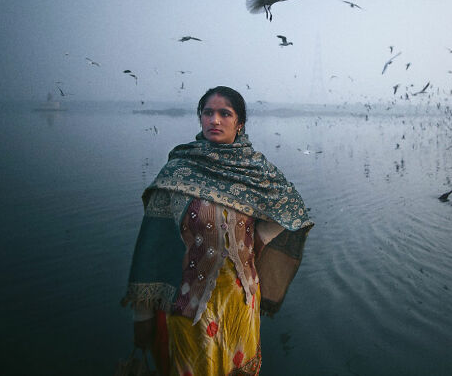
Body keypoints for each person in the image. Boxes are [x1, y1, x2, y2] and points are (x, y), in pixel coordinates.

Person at [122, 86, 313, 375]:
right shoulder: (178, 171)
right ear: (200, 118)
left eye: (225, 113)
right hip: (189, 306)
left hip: (241, 301)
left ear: (240, 123)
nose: (215, 120)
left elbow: (292, 209)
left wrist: (258, 239)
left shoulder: (256, 171)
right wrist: (143, 316)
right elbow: (152, 247)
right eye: (208, 113)